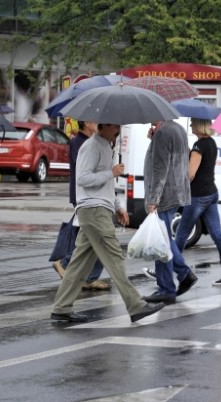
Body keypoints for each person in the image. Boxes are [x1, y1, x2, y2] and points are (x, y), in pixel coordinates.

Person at [51, 123, 165, 323]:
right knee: (114, 257)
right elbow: (83, 179)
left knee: (79, 264)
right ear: (102, 126)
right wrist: (111, 173)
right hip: (93, 210)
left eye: (119, 125)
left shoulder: (106, 146)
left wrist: (117, 206)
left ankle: (61, 307)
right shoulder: (92, 146)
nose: (118, 129)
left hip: (99, 208)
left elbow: (105, 185)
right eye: (114, 125)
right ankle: (136, 305)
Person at [142, 120, 197, 305]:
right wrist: (153, 139)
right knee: (164, 238)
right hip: (177, 191)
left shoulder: (163, 133)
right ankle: (183, 274)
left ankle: (167, 287)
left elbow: (160, 169)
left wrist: (153, 199)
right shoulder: (178, 129)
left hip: (164, 196)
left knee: (160, 241)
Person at [51, 120, 110, 291]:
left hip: (92, 196)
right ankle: (66, 264)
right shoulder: (80, 143)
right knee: (97, 237)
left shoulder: (90, 142)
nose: (97, 124)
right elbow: (85, 172)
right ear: (86, 124)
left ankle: (85, 274)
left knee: (92, 238)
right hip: (84, 196)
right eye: (94, 121)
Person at [174, 118, 221, 286]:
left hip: (197, 196)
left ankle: (164, 269)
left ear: (199, 126)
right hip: (211, 193)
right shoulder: (211, 143)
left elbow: (190, 174)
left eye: (193, 123)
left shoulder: (199, 146)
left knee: (182, 234)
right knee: (217, 234)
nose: (191, 125)